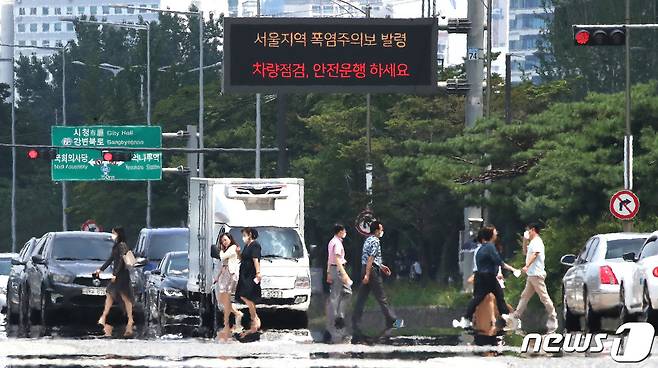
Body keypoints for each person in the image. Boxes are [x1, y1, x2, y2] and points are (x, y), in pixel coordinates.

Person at [454, 226, 519, 329]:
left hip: (479, 276)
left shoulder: (481, 248)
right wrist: (513, 269)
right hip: (489, 276)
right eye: (494, 233)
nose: (496, 234)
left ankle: (466, 319)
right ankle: (507, 318)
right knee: (500, 296)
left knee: (477, 298)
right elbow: (498, 261)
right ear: (491, 235)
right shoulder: (490, 247)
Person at [352, 221, 404, 337]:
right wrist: (368, 274)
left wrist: (381, 266)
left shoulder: (368, 239)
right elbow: (371, 258)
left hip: (366, 268)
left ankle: (355, 322)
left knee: (361, 297)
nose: (382, 232)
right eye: (381, 229)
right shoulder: (375, 241)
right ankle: (393, 321)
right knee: (381, 297)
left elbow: (370, 258)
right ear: (377, 230)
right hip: (371, 271)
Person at [507, 223, 558, 333]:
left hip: (536, 273)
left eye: (528, 231)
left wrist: (526, 266)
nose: (527, 233)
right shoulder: (532, 242)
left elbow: (535, 254)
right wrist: (525, 240)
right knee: (525, 296)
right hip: (532, 274)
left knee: (543, 296)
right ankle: (515, 316)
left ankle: (553, 317)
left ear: (533, 230)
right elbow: (525, 252)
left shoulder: (537, 242)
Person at [94, 227, 134, 337]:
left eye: (113, 233)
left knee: (125, 296)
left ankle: (130, 320)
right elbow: (111, 259)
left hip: (122, 275)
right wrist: (100, 269)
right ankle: (104, 317)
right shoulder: (116, 246)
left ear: (118, 233)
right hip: (118, 275)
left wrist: (115, 274)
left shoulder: (122, 245)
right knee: (110, 294)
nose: (112, 235)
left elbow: (121, 261)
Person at [214, 233, 244, 341]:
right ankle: (236, 320)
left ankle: (237, 316)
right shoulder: (227, 249)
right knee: (223, 300)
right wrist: (217, 277)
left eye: (225, 240)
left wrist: (221, 249)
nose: (224, 242)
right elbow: (223, 265)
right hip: (225, 275)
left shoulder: (233, 248)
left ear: (230, 240)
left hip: (231, 275)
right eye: (222, 241)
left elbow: (222, 256)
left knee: (225, 298)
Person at [326, 224, 352, 340]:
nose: (345, 232)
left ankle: (339, 317)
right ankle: (335, 321)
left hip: (333, 268)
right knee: (336, 295)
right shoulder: (336, 243)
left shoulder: (332, 241)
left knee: (345, 292)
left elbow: (329, 258)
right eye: (344, 230)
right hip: (338, 269)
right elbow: (337, 259)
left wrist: (328, 272)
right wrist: (344, 273)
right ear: (340, 231)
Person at [235, 227, 262, 337]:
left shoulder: (255, 245)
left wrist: (258, 272)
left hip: (251, 274)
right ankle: (254, 318)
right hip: (244, 274)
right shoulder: (247, 245)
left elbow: (256, 259)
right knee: (242, 295)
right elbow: (242, 258)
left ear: (250, 234)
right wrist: (238, 252)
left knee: (248, 296)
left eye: (245, 235)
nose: (243, 237)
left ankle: (254, 318)